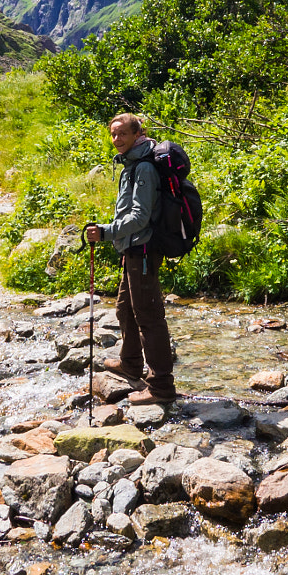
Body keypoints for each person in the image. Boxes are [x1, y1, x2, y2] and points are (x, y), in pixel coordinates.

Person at [84, 113, 177, 404]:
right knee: (125, 310)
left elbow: (140, 216)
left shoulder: (144, 167)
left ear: (138, 134)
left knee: (149, 317)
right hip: (133, 249)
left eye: (122, 134)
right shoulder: (131, 163)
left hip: (144, 250)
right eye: (113, 134)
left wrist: (106, 232)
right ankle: (131, 363)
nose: (117, 140)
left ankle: (161, 386)